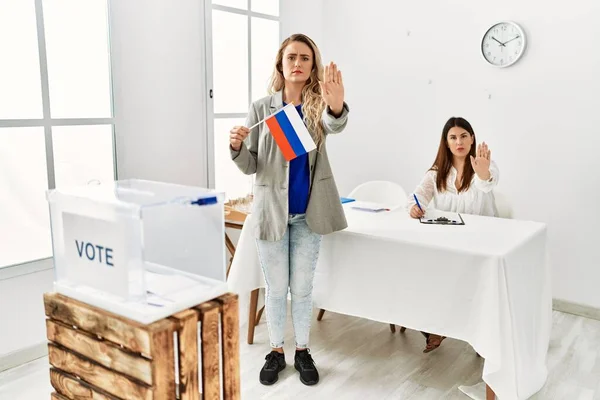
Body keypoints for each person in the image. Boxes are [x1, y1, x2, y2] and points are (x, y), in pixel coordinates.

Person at [229, 33, 349, 386]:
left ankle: (303, 350)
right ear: (281, 64)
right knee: (276, 288)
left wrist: (337, 106)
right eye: (292, 57)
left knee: (303, 287)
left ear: (313, 66)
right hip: (272, 213)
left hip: (309, 213)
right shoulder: (261, 108)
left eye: (305, 58)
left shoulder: (319, 105)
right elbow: (251, 165)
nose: (298, 63)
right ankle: (277, 350)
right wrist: (236, 146)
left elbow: (333, 124)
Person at [407, 116, 499, 353]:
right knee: (426, 272)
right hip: (448, 240)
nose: (459, 141)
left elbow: (487, 184)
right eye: (453, 137)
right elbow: (417, 195)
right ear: (446, 143)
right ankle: (436, 327)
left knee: (468, 281)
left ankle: (478, 335)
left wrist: (483, 173)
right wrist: (414, 207)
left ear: (472, 139)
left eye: (464, 136)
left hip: (482, 241)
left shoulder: (485, 165)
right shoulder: (437, 172)